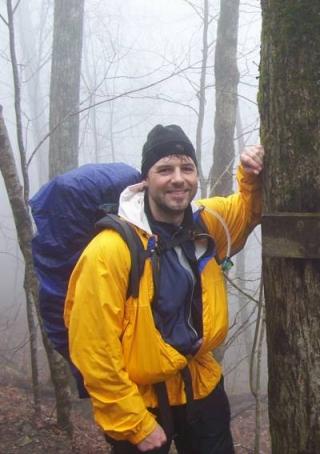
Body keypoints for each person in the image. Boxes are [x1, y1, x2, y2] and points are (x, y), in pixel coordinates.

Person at [64, 124, 264, 453]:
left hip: (200, 384)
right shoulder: (110, 250)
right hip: (140, 398)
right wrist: (133, 422)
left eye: (187, 168)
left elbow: (247, 210)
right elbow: (92, 347)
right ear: (145, 179)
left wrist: (251, 173)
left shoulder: (207, 222)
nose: (178, 178)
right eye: (165, 169)